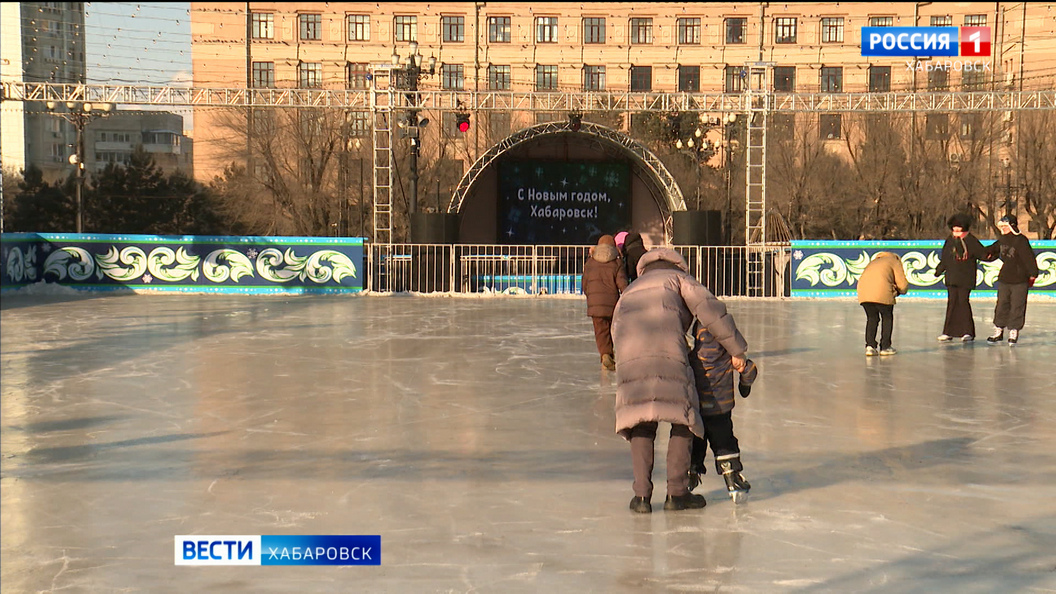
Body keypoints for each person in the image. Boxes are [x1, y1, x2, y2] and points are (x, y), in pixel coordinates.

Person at [612, 247, 748, 514]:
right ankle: (677, 493)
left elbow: (615, 328)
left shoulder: (630, 289)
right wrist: (737, 351)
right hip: (668, 354)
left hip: (631, 359)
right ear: (677, 264)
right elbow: (712, 313)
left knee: (640, 421)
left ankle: (641, 497)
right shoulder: (679, 279)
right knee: (682, 419)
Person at [688, 320, 758, 504]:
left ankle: (689, 476)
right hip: (721, 408)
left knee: (695, 443)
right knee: (724, 443)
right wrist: (745, 385)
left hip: (697, 408)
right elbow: (749, 370)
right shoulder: (729, 357)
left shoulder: (692, 358)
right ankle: (732, 479)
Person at [983, 214, 1038, 346]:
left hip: (1020, 279)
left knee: (1017, 306)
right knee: (1002, 304)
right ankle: (998, 330)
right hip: (1005, 278)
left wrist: (1033, 274)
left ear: (1012, 226)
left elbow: (1029, 258)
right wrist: (979, 253)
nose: (1003, 229)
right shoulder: (1003, 240)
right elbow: (991, 251)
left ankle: (1013, 331)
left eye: (1005, 226)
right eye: (1001, 226)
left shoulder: (1021, 241)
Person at [934, 213, 988, 342]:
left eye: (958, 228)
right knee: (952, 303)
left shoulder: (971, 240)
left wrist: (993, 252)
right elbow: (945, 257)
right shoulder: (950, 240)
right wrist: (939, 270)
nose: (956, 231)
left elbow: (982, 254)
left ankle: (967, 332)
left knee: (963, 303)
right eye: (954, 228)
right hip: (952, 277)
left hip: (965, 278)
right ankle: (948, 332)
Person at [582, 234, 628, 370]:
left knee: (600, 331)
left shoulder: (590, 262)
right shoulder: (616, 262)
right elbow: (622, 284)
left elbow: (585, 284)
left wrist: (590, 295)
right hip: (612, 303)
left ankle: (605, 354)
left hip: (595, 304)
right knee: (614, 329)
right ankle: (615, 354)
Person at [856, 252, 910, 356]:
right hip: (882, 290)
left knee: (872, 318)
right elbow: (902, 283)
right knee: (887, 317)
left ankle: (870, 346)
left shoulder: (874, 261)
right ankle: (885, 346)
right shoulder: (894, 261)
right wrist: (901, 291)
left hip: (864, 292)